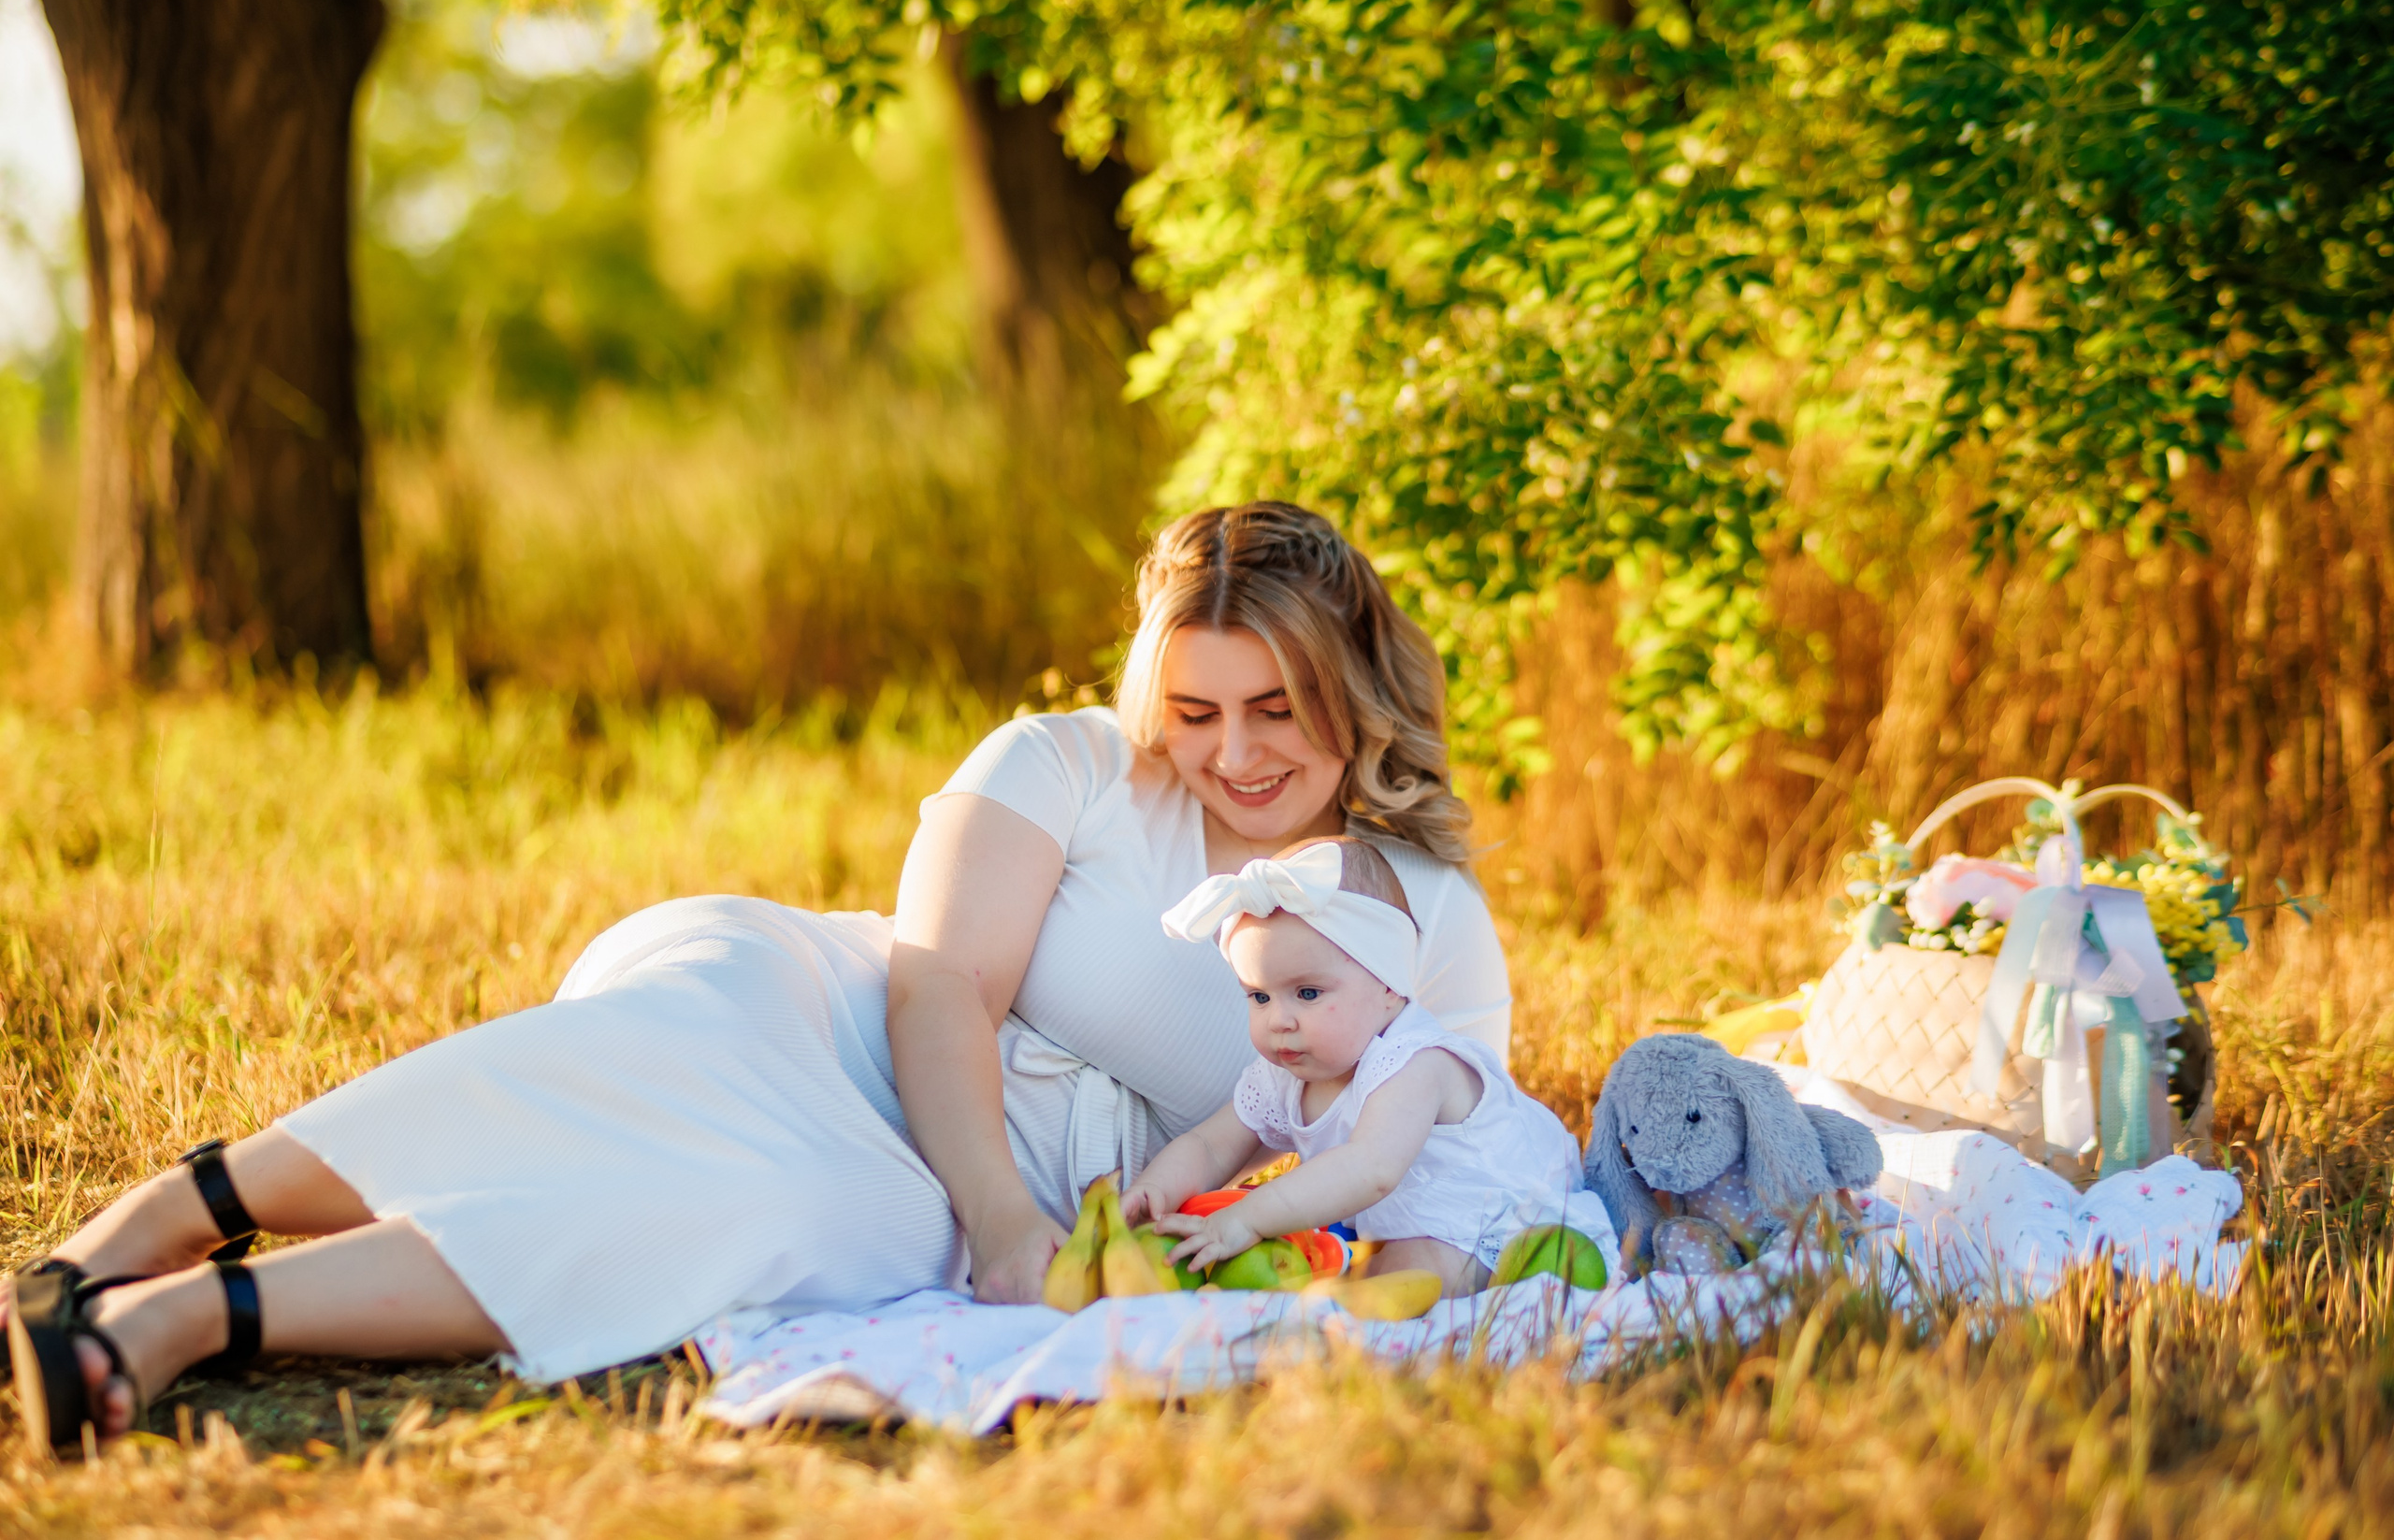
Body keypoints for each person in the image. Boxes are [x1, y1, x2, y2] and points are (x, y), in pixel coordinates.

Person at [7, 502, 1513, 1457]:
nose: (1237, 753)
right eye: (1196, 707)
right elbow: (935, 989)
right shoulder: (1064, 763)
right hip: (853, 1031)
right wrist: (997, 1211)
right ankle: (159, 1218)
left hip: (999, 1198)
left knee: (767, 1215)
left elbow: (1450, 1160)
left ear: (1353, 687)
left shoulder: (1424, 911)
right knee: (654, 1073)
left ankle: (194, 1321)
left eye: (1278, 708)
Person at [1124, 837, 1587, 1297]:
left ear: (1389, 986)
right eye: (1259, 996)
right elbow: (1210, 1146)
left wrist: (1247, 1218)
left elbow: (1371, 1168)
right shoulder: (1285, 1077)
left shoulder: (1415, 1063)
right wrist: (1156, 1190)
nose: (1278, 1020)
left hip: (1499, 1219)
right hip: (1404, 1222)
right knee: (1346, 1258)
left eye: (1307, 993)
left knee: (1409, 1270)